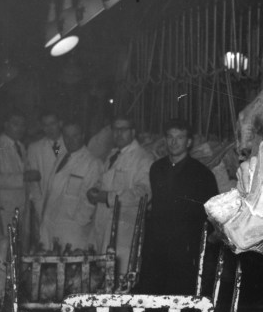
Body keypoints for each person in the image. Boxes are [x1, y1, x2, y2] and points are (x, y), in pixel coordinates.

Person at [139, 118, 218, 295]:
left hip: (185, 248)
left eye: (180, 137)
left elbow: (212, 213)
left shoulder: (202, 174)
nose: (174, 142)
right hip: (157, 246)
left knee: (180, 295)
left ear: (188, 142)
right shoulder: (157, 169)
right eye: (170, 137)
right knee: (154, 295)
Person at [87, 117, 153, 279]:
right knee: (102, 281)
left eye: (123, 129)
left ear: (133, 132)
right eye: (115, 129)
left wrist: (108, 197)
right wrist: (95, 189)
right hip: (103, 228)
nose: (118, 134)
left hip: (125, 232)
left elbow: (143, 193)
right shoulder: (113, 155)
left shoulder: (143, 158)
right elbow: (104, 180)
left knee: (121, 284)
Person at [39, 122, 103, 251]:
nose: (70, 140)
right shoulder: (62, 156)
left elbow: (91, 201)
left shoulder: (92, 163)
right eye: (66, 136)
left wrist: (78, 223)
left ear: (83, 136)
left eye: (75, 136)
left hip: (73, 231)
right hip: (50, 224)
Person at [0, 111, 36, 231]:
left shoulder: (21, 146)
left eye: (23, 125)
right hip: (4, 210)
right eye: (16, 124)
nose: (20, 128)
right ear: (6, 125)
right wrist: (22, 177)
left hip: (21, 207)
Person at [27, 111, 64, 229]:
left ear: (60, 123)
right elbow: (34, 184)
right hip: (44, 205)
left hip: (66, 205)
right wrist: (39, 207)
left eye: (52, 123)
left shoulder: (71, 144)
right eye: (45, 125)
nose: (49, 128)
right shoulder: (34, 148)